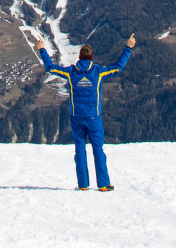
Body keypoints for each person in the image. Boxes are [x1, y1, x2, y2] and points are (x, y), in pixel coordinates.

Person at [28, 29, 136, 190]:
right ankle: (103, 184)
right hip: (94, 117)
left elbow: (51, 68)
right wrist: (128, 47)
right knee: (98, 148)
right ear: (91, 58)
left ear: (80, 57)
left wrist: (42, 49)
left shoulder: (71, 72)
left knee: (79, 149)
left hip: (76, 116)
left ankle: (83, 184)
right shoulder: (98, 72)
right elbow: (117, 67)